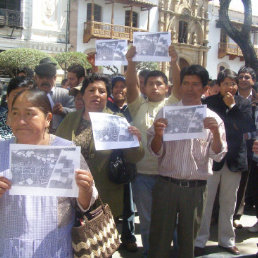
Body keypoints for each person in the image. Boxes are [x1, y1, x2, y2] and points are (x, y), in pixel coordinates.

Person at [0, 88, 98, 257]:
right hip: (9, 247)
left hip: (55, 247)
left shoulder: (65, 150)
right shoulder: (1, 150)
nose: (20, 121)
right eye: (15, 113)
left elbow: (85, 204)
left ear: (48, 119)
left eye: (29, 114)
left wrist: (86, 189)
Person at [147, 64, 227, 258]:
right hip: (167, 185)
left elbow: (218, 155)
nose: (190, 88)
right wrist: (158, 135)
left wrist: (215, 133)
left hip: (196, 188)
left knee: (188, 242)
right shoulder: (166, 114)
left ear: (205, 88)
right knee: (159, 239)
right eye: (186, 83)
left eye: (196, 84)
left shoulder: (213, 119)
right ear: (179, 86)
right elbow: (154, 151)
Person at [56, 74, 144, 220]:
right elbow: (56, 149)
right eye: (91, 90)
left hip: (104, 195)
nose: (96, 94)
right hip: (71, 194)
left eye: (102, 91)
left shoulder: (117, 120)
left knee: (101, 240)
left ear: (107, 96)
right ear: (83, 95)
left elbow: (136, 157)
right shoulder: (71, 119)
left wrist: (135, 141)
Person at [125, 45, 181, 256]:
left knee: (170, 220)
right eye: (150, 84)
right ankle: (150, 253)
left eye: (160, 84)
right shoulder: (138, 106)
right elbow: (130, 84)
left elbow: (179, 88)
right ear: (145, 87)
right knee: (147, 220)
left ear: (167, 88)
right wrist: (131, 62)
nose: (155, 87)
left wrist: (174, 61)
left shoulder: (173, 104)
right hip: (141, 176)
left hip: (167, 175)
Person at [195, 69, 255, 256]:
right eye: (226, 83)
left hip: (235, 158)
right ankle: (199, 240)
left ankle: (227, 240)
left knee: (229, 203)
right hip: (212, 158)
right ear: (219, 85)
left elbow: (246, 128)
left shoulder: (244, 104)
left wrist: (233, 107)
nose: (230, 87)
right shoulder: (208, 103)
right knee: (206, 202)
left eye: (233, 83)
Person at [107, 75, 137, 252]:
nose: (119, 89)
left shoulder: (133, 108)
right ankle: (109, 238)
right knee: (108, 203)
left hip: (127, 161)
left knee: (128, 201)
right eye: (116, 86)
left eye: (123, 86)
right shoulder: (105, 108)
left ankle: (128, 237)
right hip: (108, 160)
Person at [233, 66, 257, 228]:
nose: (243, 79)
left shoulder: (256, 100)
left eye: (247, 77)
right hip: (232, 146)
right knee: (232, 182)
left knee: (249, 184)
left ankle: (236, 214)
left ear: (253, 81)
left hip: (253, 148)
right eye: (240, 77)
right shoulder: (229, 97)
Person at [34, 60, 75, 133]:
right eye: (41, 77)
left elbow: (77, 112)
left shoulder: (66, 94)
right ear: (36, 78)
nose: (45, 80)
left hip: (59, 135)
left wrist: (63, 110)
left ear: (55, 78)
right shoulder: (30, 96)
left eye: (49, 77)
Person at [0, 76, 33, 141]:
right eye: (16, 95)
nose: (20, 100)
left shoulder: (36, 124)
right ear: (7, 97)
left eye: (26, 96)